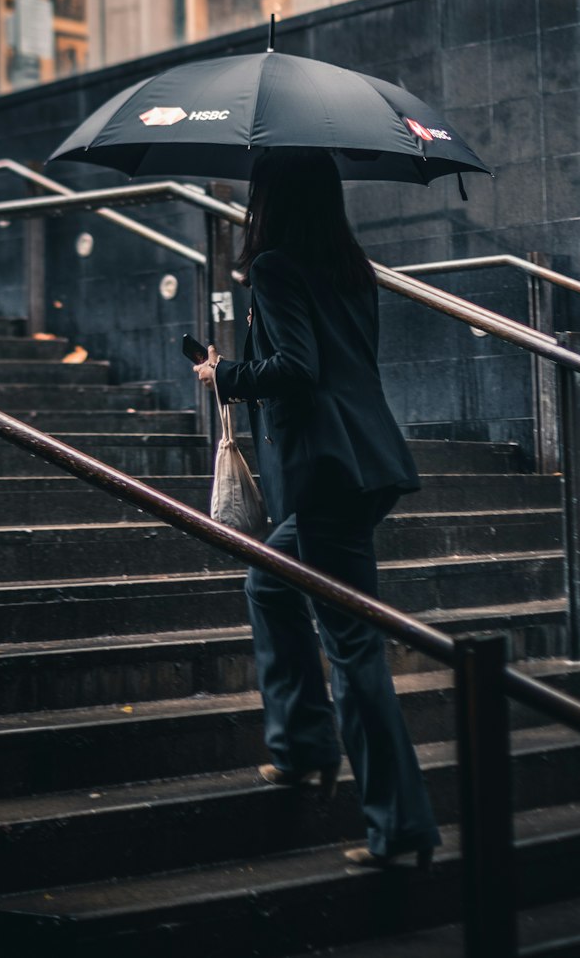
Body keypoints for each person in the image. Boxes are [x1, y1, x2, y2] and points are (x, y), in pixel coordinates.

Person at [192, 147, 439, 870]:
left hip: (328, 472)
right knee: (267, 582)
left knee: (354, 648)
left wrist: (223, 373)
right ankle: (303, 745)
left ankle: (401, 826)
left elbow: (299, 369)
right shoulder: (349, 266)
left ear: (269, 200)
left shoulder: (274, 269)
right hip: (365, 462)